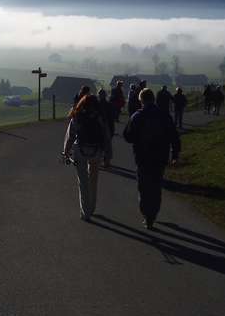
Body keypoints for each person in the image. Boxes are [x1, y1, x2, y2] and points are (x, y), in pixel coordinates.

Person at [123, 88, 180, 229]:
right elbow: (174, 136)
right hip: (160, 157)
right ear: (153, 99)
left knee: (143, 187)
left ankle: (146, 214)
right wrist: (175, 154)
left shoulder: (137, 116)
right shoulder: (164, 116)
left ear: (141, 100)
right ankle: (152, 215)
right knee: (156, 187)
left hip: (142, 158)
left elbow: (127, 136)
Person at [63, 95, 110, 222]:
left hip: (80, 150)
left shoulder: (77, 116)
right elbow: (106, 136)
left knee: (82, 182)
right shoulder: (100, 117)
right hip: (96, 151)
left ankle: (86, 212)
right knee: (93, 180)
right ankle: (92, 207)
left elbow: (70, 136)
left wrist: (66, 151)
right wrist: (107, 155)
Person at [97, 88, 115, 167]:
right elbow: (111, 118)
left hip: (99, 126)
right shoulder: (108, 104)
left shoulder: (96, 104)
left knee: (99, 145)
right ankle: (106, 161)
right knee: (107, 145)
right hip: (105, 126)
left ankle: (99, 161)